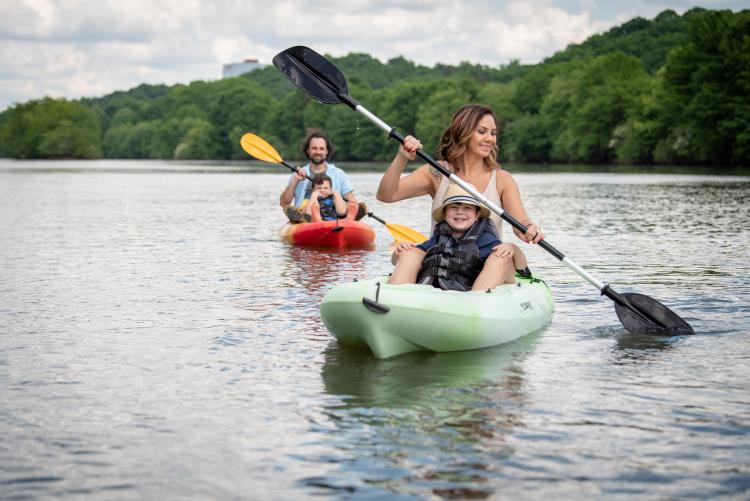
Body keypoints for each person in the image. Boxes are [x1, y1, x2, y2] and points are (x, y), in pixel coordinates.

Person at [377, 104, 544, 287]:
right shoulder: (436, 172)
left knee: (501, 257)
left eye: (493, 133)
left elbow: (521, 224)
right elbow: (386, 195)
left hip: (486, 263)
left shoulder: (502, 179)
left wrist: (530, 229)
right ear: (463, 132)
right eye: (482, 131)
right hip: (444, 260)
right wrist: (402, 157)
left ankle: (476, 300)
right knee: (408, 254)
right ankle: (397, 298)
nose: (490, 139)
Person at [392, 184, 529, 290]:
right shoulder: (437, 239)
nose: (460, 212)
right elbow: (396, 261)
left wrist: (513, 248)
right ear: (445, 214)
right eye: (454, 207)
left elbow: (521, 266)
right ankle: (397, 295)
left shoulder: (486, 240)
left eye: (467, 208)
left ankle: (477, 303)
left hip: (473, 292)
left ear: (477, 215)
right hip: (441, 290)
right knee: (409, 251)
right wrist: (400, 251)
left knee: (501, 256)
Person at [279, 130, 365, 223]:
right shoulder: (298, 174)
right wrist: (294, 181)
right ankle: (299, 218)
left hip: (333, 216)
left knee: (351, 205)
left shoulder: (339, 174)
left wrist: (353, 206)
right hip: (307, 218)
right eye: (314, 148)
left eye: (321, 148)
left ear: (327, 151)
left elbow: (352, 200)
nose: (318, 152)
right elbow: (284, 203)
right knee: (304, 210)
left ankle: (351, 217)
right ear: (308, 151)